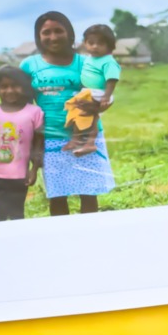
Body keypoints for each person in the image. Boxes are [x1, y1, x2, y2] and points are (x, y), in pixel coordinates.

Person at [21, 11, 114, 213]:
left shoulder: (86, 63)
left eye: (58, 31)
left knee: (89, 193)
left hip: (85, 136)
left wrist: (103, 104)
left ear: (69, 33)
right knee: (57, 195)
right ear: (38, 36)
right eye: (46, 32)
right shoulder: (29, 65)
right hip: (51, 137)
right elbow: (25, 107)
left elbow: (102, 94)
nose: (52, 37)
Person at [0, 66, 44, 221]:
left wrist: (34, 169)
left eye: (15, 86)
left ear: (24, 87)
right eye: (4, 87)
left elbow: (38, 144)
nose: (10, 90)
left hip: (20, 176)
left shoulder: (34, 112)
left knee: (17, 214)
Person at [65, 24, 121, 157]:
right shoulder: (91, 58)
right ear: (85, 43)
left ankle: (86, 142)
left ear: (110, 45)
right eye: (91, 43)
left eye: (100, 44)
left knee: (87, 115)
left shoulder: (108, 61)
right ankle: (80, 140)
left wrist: (106, 97)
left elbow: (111, 80)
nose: (95, 47)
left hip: (99, 93)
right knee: (83, 115)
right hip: (89, 91)